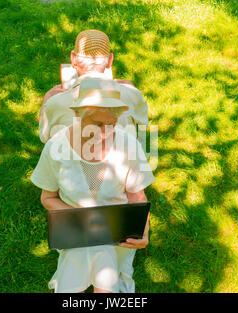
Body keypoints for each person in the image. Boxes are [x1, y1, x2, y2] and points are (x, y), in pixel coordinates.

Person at [31, 77, 155, 293]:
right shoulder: (56, 148)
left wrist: (144, 230)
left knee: (103, 254)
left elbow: (137, 197)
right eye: (98, 124)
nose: (105, 133)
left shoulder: (128, 146)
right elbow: (47, 197)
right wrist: (82, 218)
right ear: (78, 116)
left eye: (112, 124)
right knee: (93, 255)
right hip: (76, 229)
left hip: (116, 232)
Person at [39, 29, 149, 143]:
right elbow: (143, 128)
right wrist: (130, 90)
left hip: (70, 159)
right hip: (123, 158)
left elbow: (44, 137)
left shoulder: (54, 102)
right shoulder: (133, 95)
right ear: (110, 60)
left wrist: (47, 99)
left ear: (73, 58)